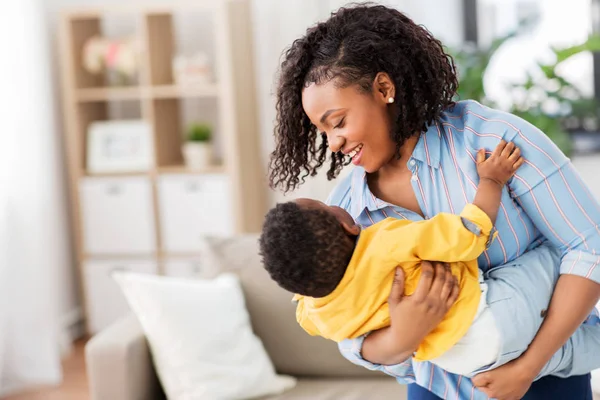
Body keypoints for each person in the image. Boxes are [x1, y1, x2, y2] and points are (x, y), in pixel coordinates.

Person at [267, 4, 600, 400]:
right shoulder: (347, 209)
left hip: (542, 381)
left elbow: (588, 245)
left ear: (384, 89)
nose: (333, 143)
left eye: (337, 122)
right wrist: (401, 337)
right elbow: (343, 324)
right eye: (322, 132)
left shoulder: (493, 143)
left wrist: (528, 367)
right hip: (434, 389)